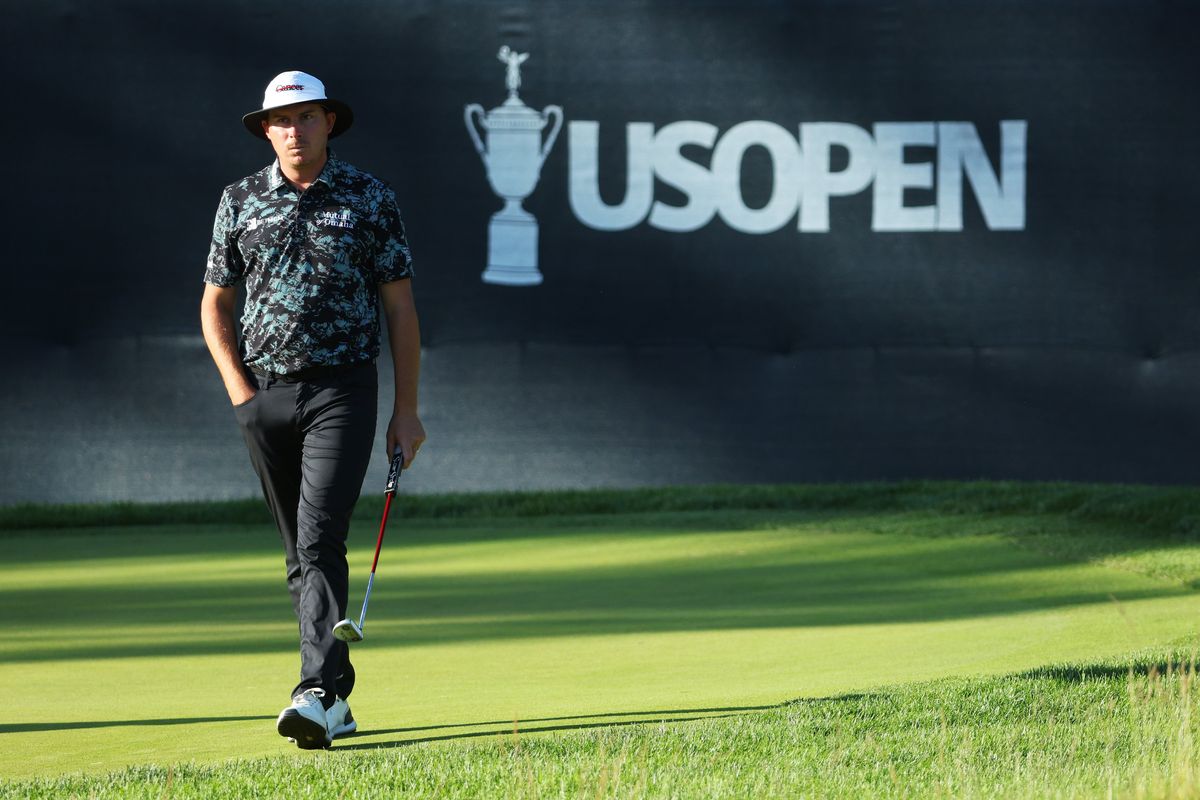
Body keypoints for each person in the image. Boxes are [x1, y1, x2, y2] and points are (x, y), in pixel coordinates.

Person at [200, 70, 426, 750]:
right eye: (281, 120)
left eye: (306, 117)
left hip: (343, 390)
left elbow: (400, 307)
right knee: (299, 553)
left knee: (321, 536)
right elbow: (214, 304)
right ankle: (338, 681)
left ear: (329, 122)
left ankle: (315, 693)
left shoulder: (369, 197)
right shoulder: (240, 199)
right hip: (263, 393)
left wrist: (406, 410)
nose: (294, 130)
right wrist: (241, 394)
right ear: (266, 130)